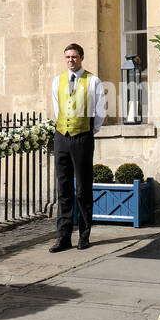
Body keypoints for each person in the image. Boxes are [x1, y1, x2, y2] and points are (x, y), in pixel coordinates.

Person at [49, 43, 108, 251]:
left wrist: (89, 131)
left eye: (74, 57)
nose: (70, 60)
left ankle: (84, 236)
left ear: (81, 57)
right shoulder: (58, 81)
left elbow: (101, 111)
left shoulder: (93, 81)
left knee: (83, 189)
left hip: (83, 137)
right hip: (61, 138)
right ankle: (63, 238)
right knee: (63, 188)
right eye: (67, 57)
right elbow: (57, 107)